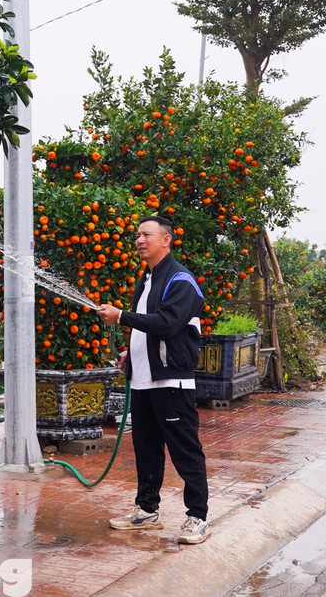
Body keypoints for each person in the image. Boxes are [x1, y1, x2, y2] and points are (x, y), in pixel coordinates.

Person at [98, 214, 210, 544]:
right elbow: (147, 329)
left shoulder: (180, 280)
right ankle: (146, 511)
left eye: (146, 234)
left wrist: (121, 317)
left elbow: (167, 324)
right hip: (143, 381)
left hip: (171, 383)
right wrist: (131, 353)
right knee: (146, 449)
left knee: (185, 451)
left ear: (166, 239)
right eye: (137, 235)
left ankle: (197, 516)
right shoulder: (147, 279)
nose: (139, 240)